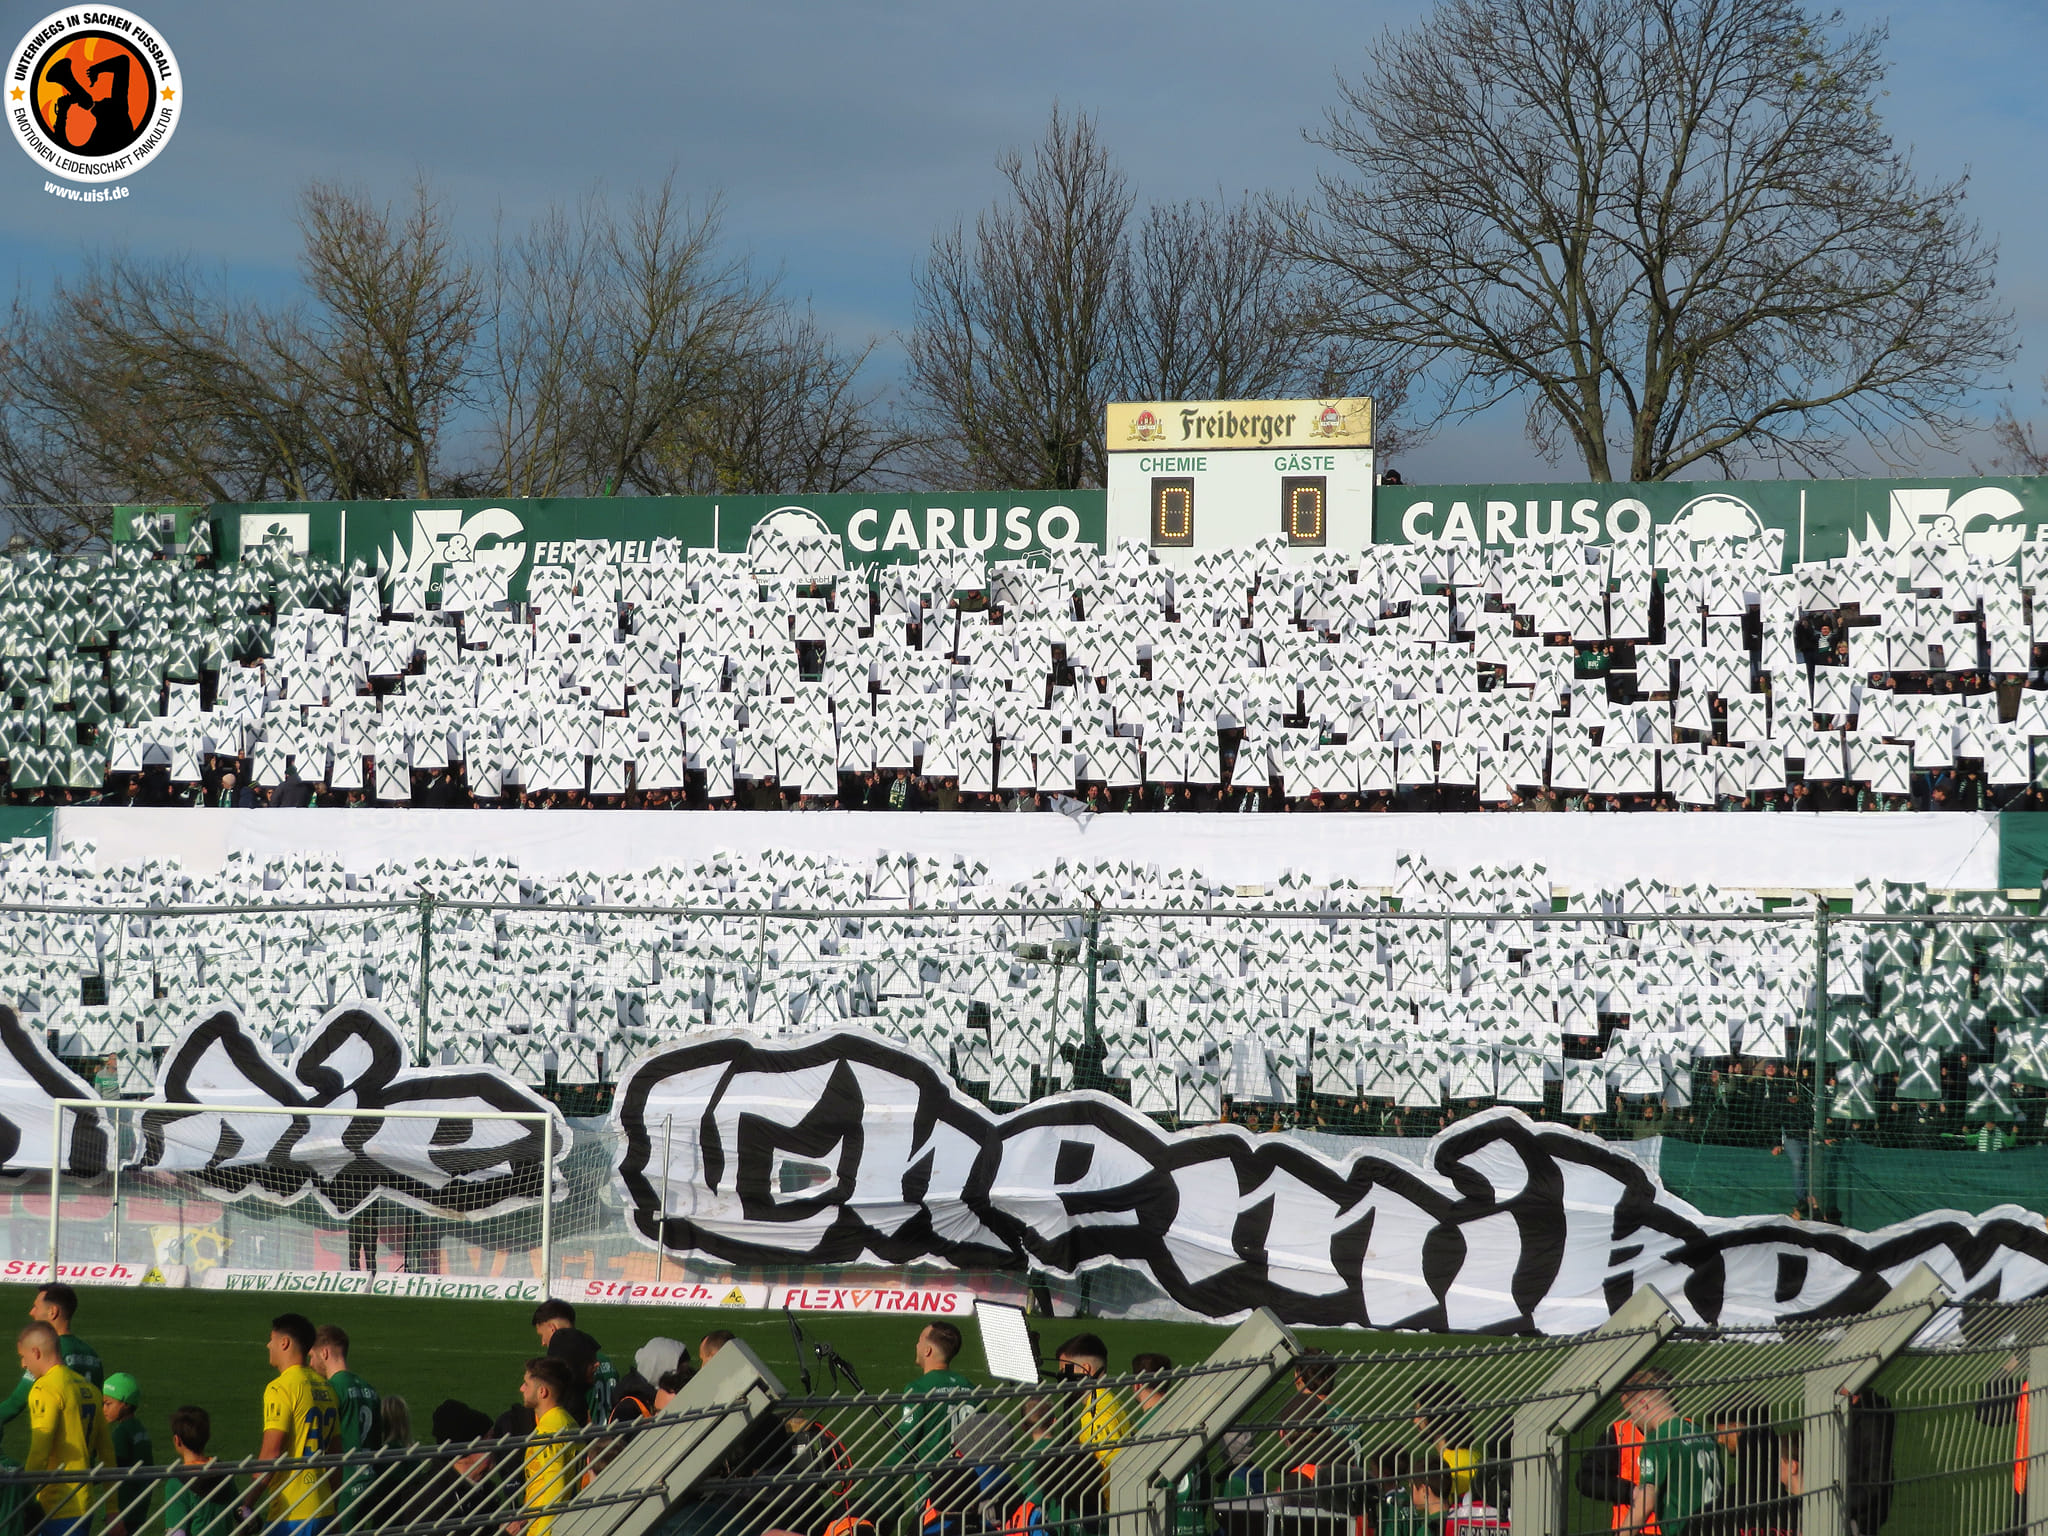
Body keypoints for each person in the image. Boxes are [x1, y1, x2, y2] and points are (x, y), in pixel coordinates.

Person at [19, 1319, 112, 1536]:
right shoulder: (88, 1388)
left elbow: (39, 1453)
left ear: (36, 1352)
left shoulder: (44, 1388)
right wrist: (113, 1508)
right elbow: (107, 1452)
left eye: (23, 1357)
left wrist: (24, 1498)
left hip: (55, 1505)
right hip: (84, 1501)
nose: (23, 1364)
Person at [255, 1311, 342, 1536]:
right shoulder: (327, 1388)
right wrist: (333, 1507)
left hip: (291, 1512)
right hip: (324, 1508)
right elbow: (336, 1457)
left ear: (284, 1342)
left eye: (271, 1339)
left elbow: (271, 1454)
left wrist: (247, 1502)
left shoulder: (280, 1388)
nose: (267, 1345)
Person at [1621, 1368, 1722, 1536]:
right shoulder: (1704, 1435)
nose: (1633, 1421)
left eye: (1631, 1413)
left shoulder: (1658, 1441)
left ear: (1643, 1404)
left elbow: (1646, 1500)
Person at [0, 1284, 104, 1427]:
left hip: (63, 1441)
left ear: (52, 1312)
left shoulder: (50, 1352)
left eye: (36, 1307)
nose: (32, 1312)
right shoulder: (92, 1354)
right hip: (89, 1442)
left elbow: (16, 1403)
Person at [511, 1356, 579, 1536]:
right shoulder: (568, 1422)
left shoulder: (549, 1430)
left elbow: (556, 1486)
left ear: (542, 1392)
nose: (521, 1388)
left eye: (526, 1384)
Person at [532, 1301, 619, 1422]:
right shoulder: (604, 1359)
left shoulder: (568, 1367)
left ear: (552, 1329)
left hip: (587, 1436)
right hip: (612, 1433)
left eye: (541, 1335)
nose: (542, 1342)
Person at [1056, 1332, 1131, 1468]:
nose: (1062, 1380)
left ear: (1085, 1370)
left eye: (1065, 1371)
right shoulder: (1112, 1400)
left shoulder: (1095, 1413)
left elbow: (1107, 1468)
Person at [163, 1406, 240, 1536]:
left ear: (177, 1440)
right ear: (208, 1436)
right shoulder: (224, 1473)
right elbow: (243, 1514)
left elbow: (177, 1532)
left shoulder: (176, 1484)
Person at [102, 1372, 153, 1536]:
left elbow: (115, 1466)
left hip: (123, 1505)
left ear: (125, 1404)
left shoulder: (122, 1432)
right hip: (140, 1504)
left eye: (108, 1404)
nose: (104, 1409)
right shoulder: (140, 1429)